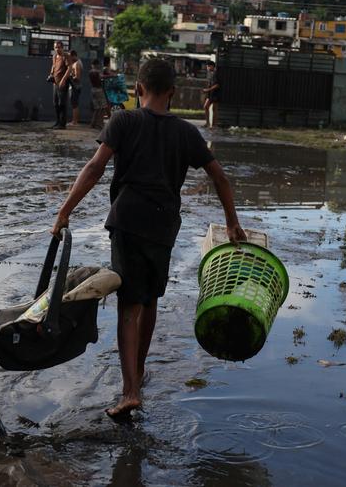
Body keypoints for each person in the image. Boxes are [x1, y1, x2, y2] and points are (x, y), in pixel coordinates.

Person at [51, 58, 246, 420]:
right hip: (163, 226)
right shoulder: (186, 132)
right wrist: (231, 223)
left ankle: (130, 392)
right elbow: (220, 177)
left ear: (138, 90)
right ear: (172, 93)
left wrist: (65, 211)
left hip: (127, 221)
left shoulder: (123, 120)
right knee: (150, 300)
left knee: (129, 305)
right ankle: (136, 376)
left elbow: (94, 167)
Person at [49, 41, 70, 129]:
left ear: (62, 48)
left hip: (62, 83)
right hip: (55, 83)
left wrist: (63, 80)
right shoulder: (54, 56)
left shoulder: (66, 56)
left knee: (62, 103)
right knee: (55, 103)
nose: (57, 49)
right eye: (55, 47)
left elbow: (69, 69)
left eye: (58, 47)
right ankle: (57, 121)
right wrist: (51, 74)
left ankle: (62, 123)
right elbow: (53, 66)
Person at [89, 59, 107, 129]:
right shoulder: (97, 71)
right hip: (99, 90)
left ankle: (93, 124)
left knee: (97, 108)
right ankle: (100, 123)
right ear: (97, 65)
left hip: (93, 89)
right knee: (102, 107)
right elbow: (102, 77)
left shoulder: (90, 72)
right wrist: (112, 76)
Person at [67, 50, 84, 126]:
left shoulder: (77, 64)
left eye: (70, 56)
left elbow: (78, 77)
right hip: (75, 86)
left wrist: (69, 76)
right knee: (74, 104)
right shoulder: (76, 63)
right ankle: (75, 121)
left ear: (74, 55)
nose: (69, 58)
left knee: (74, 104)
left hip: (75, 86)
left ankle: (74, 122)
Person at [202, 61, 220, 129]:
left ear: (212, 66)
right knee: (206, 107)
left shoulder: (216, 73)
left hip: (215, 94)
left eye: (208, 66)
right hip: (210, 94)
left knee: (214, 109)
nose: (207, 68)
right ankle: (208, 123)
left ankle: (214, 125)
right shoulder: (210, 74)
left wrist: (207, 90)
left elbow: (217, 85)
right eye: (207, 66)